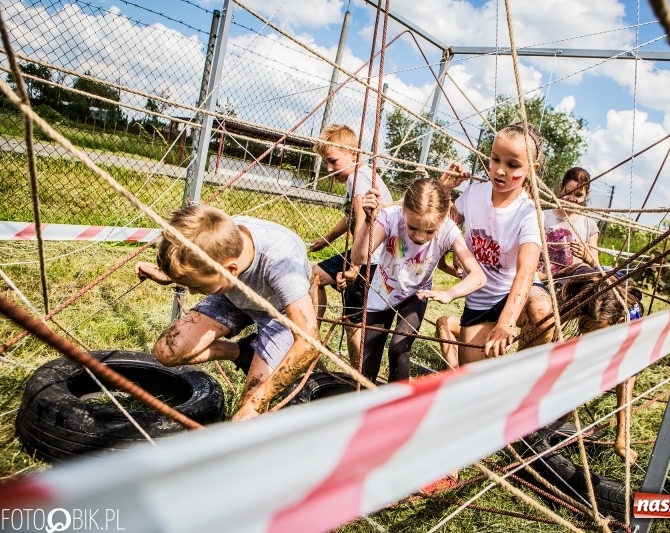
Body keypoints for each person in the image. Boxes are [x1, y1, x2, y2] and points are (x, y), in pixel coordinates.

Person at [134, 205, 317, 422]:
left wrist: (256, 404)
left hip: (278, 312)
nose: (192, 292)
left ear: (230, 270)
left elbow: (309, 343)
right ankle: (243, 353)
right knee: (167, 351)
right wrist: (172, 275)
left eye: (198, 287)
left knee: (246, 412)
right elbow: (195, 258)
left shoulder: (282, 265)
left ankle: (255, 365)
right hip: (231, 295)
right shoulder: (218, 237)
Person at [437, 122, 553, 366]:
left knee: (543, 313)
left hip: (515, 294)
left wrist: (507, 321)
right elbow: (440, 225)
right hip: (480, 301)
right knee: (476, 377)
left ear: (532, 169)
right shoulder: (473, 195)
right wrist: (443, 188)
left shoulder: (529, 212)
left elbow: (527, 269)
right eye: (495, 159)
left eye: (512, 165)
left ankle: (524, 375)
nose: (500, 170)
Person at [350, 178, 486, 383]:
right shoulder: (390, 217)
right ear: (404, 210)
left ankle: (399, 405)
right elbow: (358, 258)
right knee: (368, 357)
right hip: (382, 291)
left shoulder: (448, 230)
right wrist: (368, 222)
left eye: (429, 231)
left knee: (399, 347)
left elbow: (478, 276)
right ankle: (364, 402)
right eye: (413, 227)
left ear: (442, 220)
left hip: (417, 294)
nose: (420, 237)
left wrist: (450, 293)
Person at [308, 124, 394, 367]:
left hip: (371, 256)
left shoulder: (358, 177)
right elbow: (351, 217)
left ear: (353, 155)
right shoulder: (358, 177)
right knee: (316, 276)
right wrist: (327, 239)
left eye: (333, 161)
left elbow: (362, 223)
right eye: (326, 162)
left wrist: (356, 266)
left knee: (353, 322)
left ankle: (360, 376)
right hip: (366, 250)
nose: (329, 168)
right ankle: (310, 335)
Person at [554, 263, 643, 463]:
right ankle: (556, 415)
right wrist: (547, 275)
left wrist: (621, 439)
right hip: (588, 284)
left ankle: (560, 417)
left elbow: (626, 381)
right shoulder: (579, 285)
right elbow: (573, 269)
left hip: (617, 310)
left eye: (598, 335)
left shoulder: (631, 319)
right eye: (586, 329)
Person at [541, 167, 600, 275]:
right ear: (560, 187)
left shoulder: (589, 225)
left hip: (570, 287)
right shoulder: (542, 216)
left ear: (586, 195)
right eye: (568, 192)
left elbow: (596, 265)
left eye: (578, 195)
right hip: (540, 281)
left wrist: (585, 255)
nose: (572, 199)